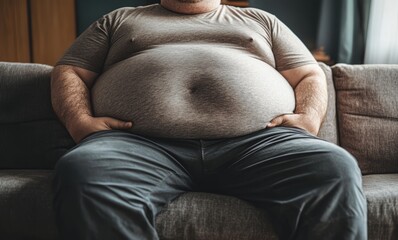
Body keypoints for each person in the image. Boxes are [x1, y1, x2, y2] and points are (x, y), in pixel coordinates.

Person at [51, 0, 367, 239]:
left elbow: (310, 73)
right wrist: (79, 121)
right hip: (139, 143)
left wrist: (309, 117)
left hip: (259, 143)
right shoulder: (119, 20)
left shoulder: (260, 20)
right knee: (83, 170)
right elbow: (70, 71)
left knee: (334, 169)